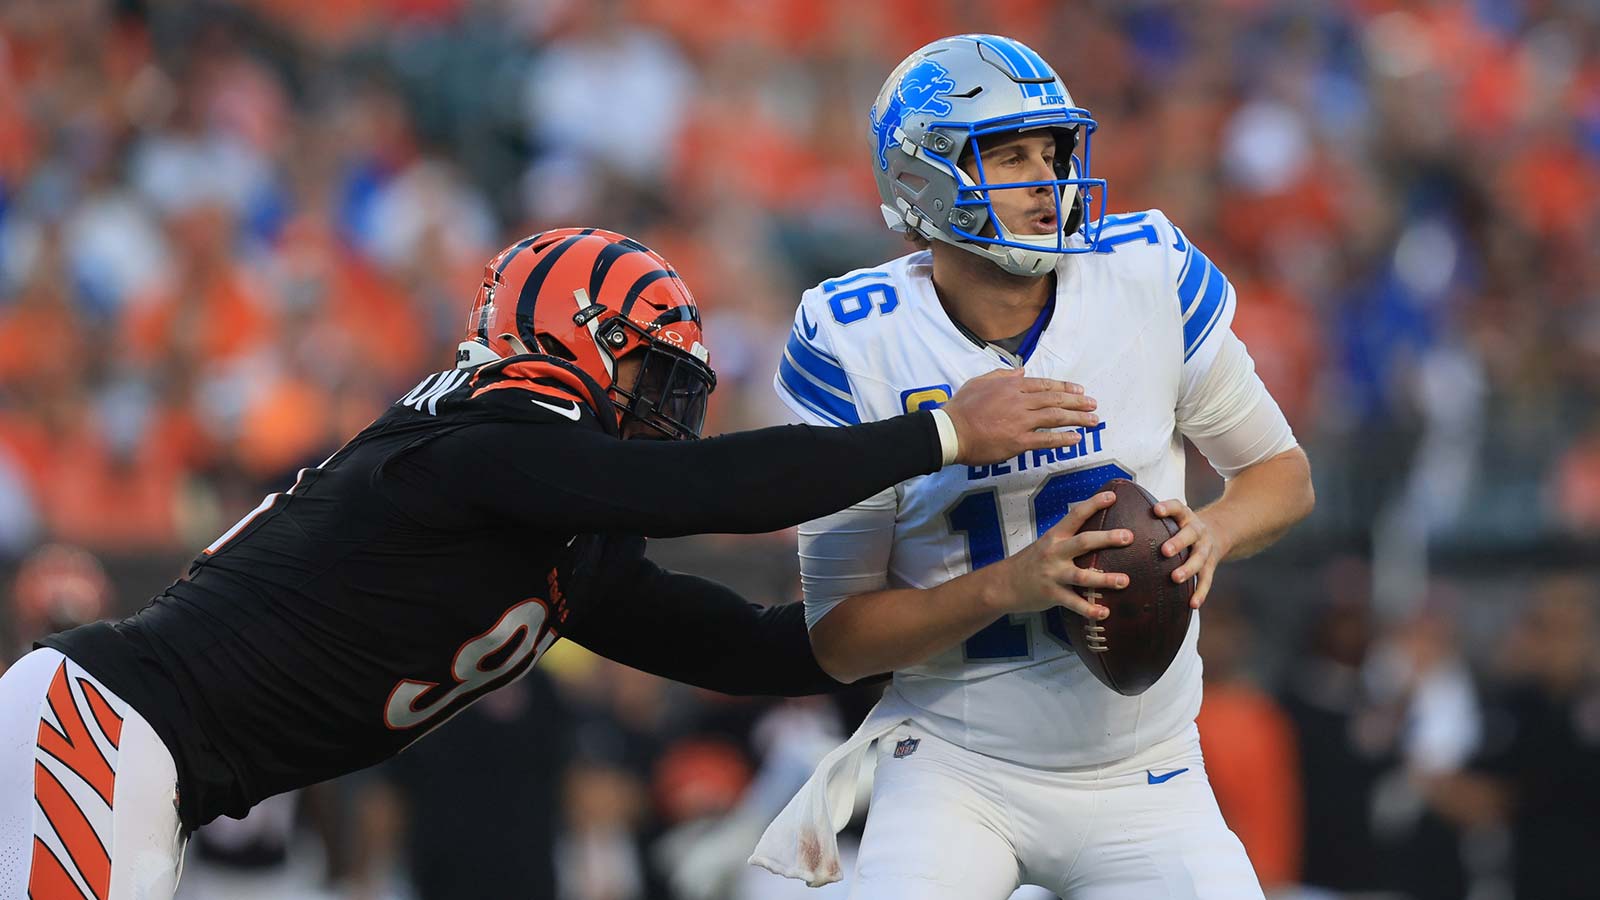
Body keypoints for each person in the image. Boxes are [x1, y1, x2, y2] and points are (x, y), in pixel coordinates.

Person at [0, 227, 1090, 899]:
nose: (666, 419)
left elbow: (765, 650)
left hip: (151, 772)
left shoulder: (557, 533)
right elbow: (703, 494)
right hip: (103, 734)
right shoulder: (472, 442)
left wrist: (1000, 594)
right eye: (650, 380)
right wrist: (940, 433)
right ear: (571, 340)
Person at [750, 35, 1315, 900]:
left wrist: (1216, 529)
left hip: (1148, 770)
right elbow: (839, 639)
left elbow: (1281, 474)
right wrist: (1006, 588)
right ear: (923, 176)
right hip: (954, 766)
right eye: (1009, 156)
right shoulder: (857, 339)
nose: (1046, 181)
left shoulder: (1146, 274)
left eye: (1050, 153)